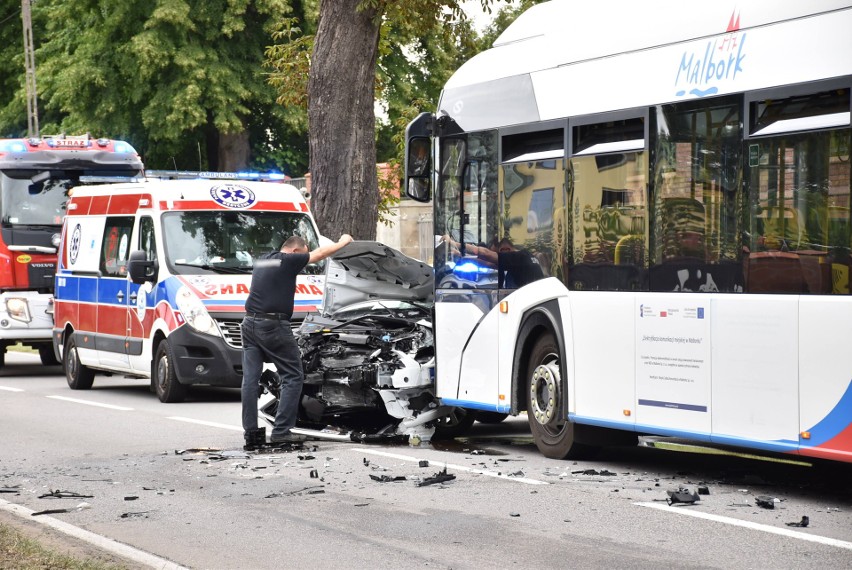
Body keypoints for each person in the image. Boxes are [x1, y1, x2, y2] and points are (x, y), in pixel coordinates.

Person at [241, 233, 353, 449]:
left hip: (249, 324)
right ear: (295, 251)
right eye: (302, 253)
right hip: (272, 326)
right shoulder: (287, 260)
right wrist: (344, 242)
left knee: (249, 380)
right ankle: (281, 431)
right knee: (293, 375)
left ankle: (251, 434)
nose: (303, 261)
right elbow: (319, 254)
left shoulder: (265, 259)